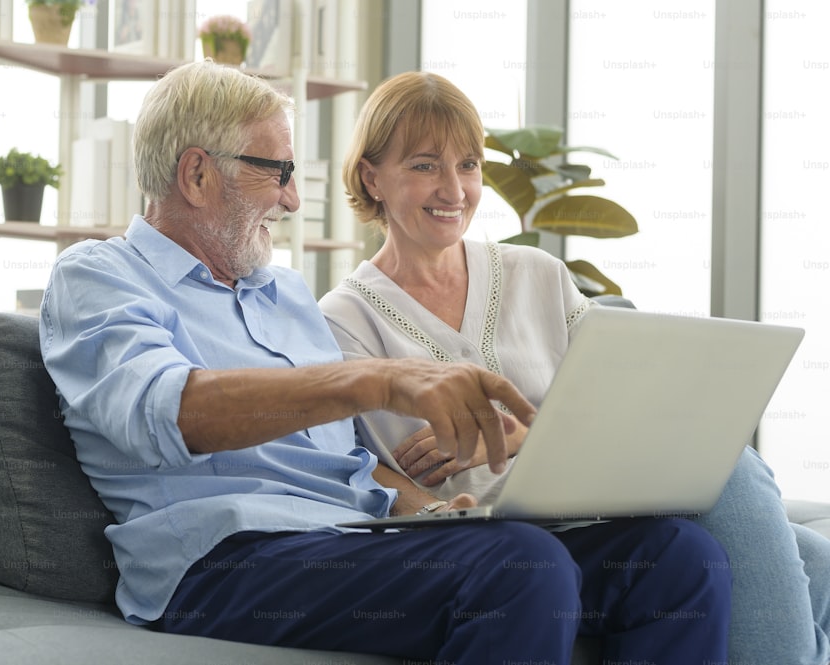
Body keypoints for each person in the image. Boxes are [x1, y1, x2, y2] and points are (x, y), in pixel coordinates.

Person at [39, 60, 733, 663]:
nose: (289, 198)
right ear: (196, 174)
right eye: (277, 172)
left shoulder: (282, 293)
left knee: (676, 558)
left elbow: (349, 463)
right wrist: (373, 379)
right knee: (524, 565)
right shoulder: (99, 277)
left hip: (351, 534)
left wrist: (438, 513)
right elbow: (174, 411)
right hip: (221, 558)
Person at [318, 69, 830, 665]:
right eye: (426, 165)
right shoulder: (342, 319)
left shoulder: (538, 274)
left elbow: (621, 402)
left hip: (592, 521)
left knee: (797, 547)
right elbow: (347, 467)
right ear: (370, 177)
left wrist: (526, 436)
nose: (454, 189)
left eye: (469, 165)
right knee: (773, 536)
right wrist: (428, 510)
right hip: (478, 547)